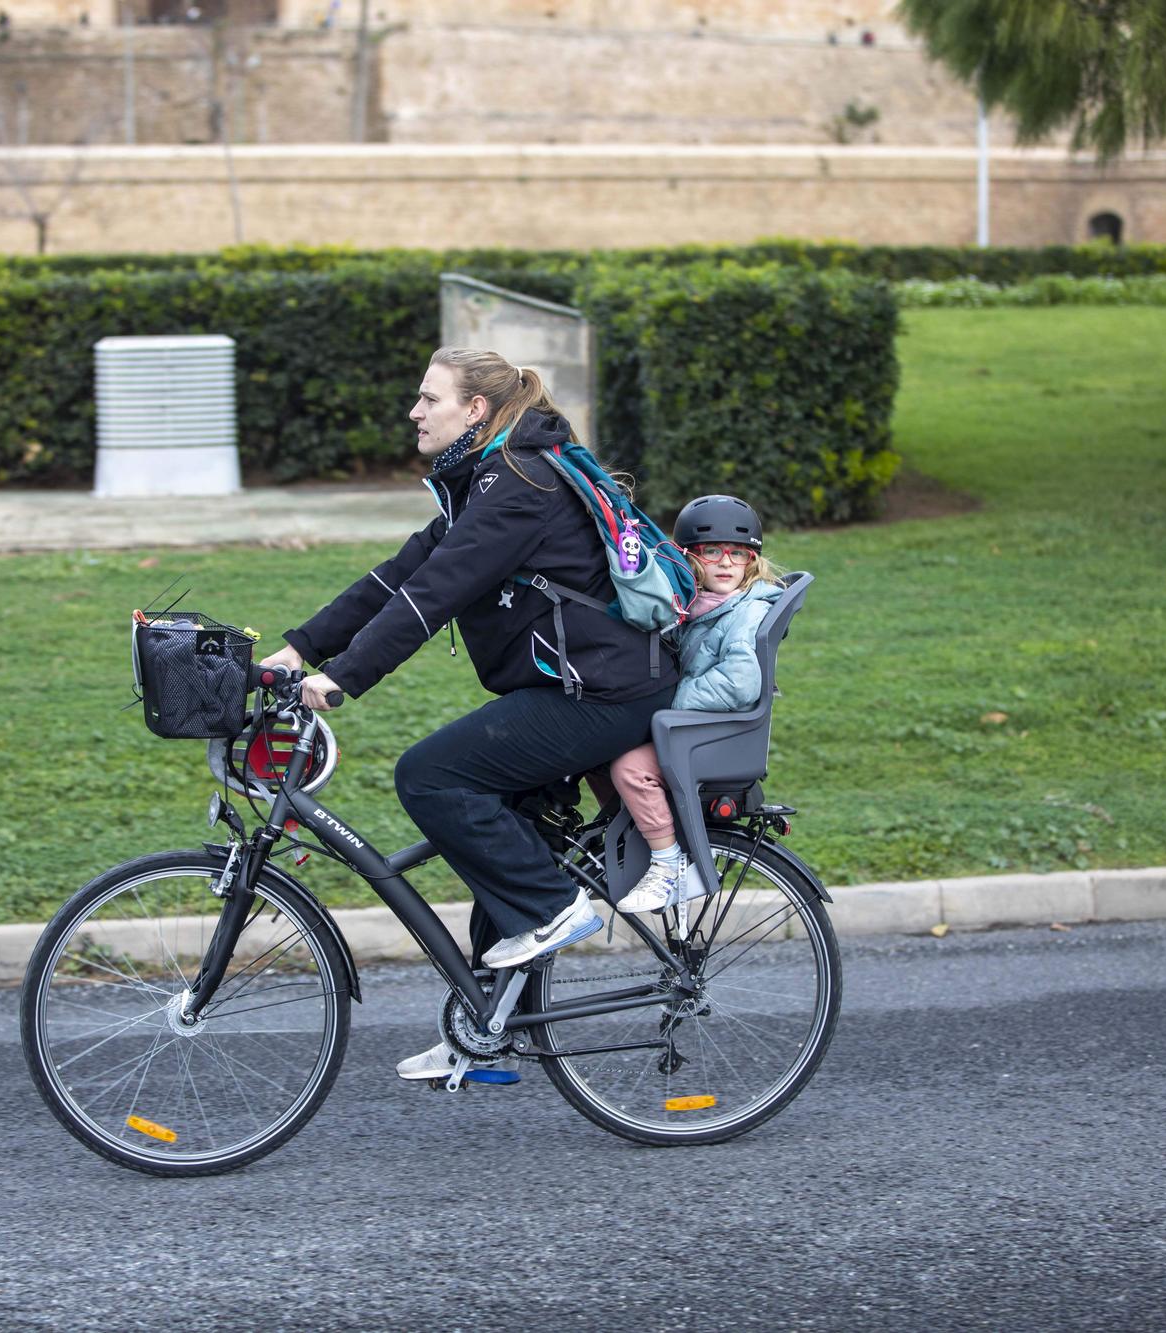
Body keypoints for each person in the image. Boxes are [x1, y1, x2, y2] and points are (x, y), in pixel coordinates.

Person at [257, 347, 680, 1080]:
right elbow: (395, 578)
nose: (414, 412)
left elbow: (435, 595)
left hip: (611, 690)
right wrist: (296, 652)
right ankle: (490, 1030)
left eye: (429, 399)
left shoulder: (518, 482)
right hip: (580, 684)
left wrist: (342, 681)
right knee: (493, 825)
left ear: (474, 410)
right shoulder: (481, 479)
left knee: (432, 775)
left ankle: (551, 908)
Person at [600, 495, 785, 912]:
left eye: (738, 553)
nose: (725, 562)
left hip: (716, 737)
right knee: (601, 749)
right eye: (711, 552)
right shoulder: (701, 606)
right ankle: (641, 834)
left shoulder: (746, 611)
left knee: (630, 769)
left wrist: (668, 701)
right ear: (689, 558)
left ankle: (668, 865)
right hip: (692, 729)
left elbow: (739, 684)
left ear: (752, 561)